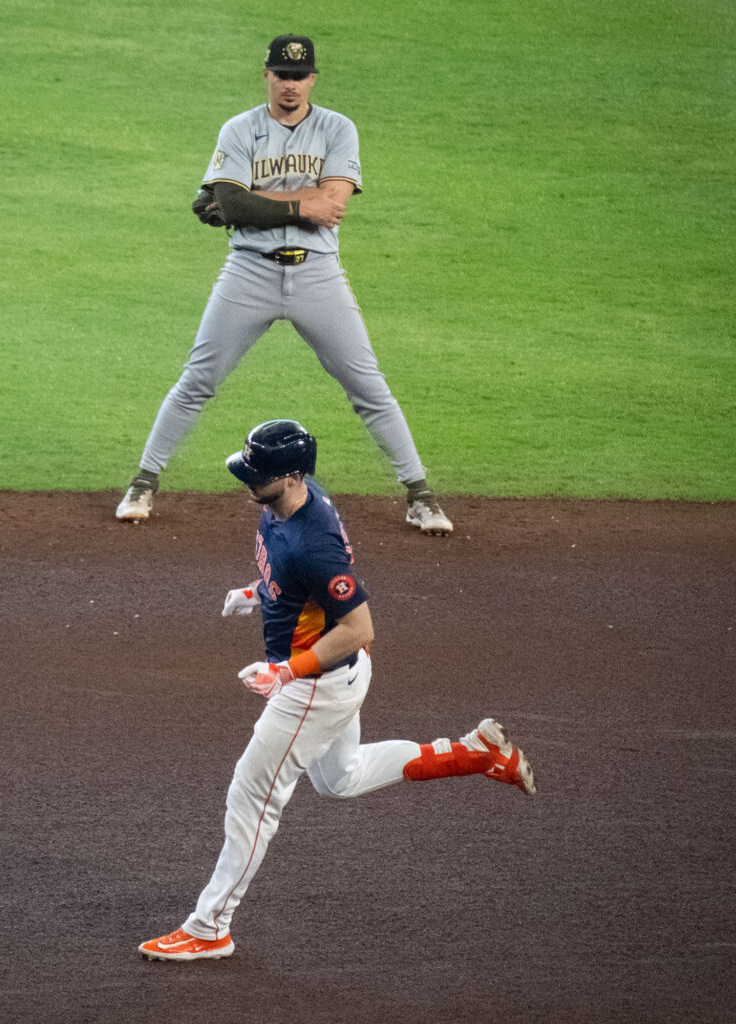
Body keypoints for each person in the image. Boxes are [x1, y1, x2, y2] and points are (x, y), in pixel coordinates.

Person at [137, 420, 535, 962]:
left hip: (317, 685)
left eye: (259, 474)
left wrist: (285, 673)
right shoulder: (285, 503)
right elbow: (300, 581)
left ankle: (210, 928)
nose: (248, 481)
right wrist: (260, 592)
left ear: (294, 477)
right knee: (340, 780)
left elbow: (358, 628)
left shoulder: (314, 539)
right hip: (337, 676)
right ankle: (475, 753)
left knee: (252, 796)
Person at [116, 34, 453, 536]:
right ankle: (143, 482)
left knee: (368, 386)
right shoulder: (239, 129)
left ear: (312, 78)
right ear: (267, 75)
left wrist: (257, 199)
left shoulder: (338, 129)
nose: (290, 84)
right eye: (281, 75)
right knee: (197, 380)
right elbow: (232, 208)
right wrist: (297, 204)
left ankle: (419, 494)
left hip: (318, 275)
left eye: (299, 76)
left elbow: (331, 205)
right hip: (248, 272)